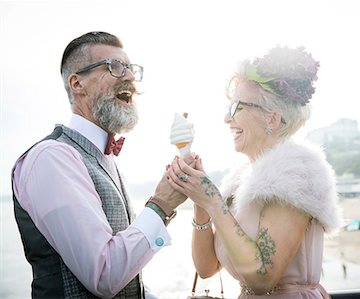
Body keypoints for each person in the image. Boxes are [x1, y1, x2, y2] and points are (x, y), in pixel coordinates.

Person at [11, 31, 192, 298]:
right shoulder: (51, 158)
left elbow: (128, 281)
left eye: (130, 69)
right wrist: (161, 205)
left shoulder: (107, 161)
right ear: (77, 83)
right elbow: (104, 274)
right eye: (115, 67)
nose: (129, 76)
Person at [166, 46, 343, 298]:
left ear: (271, 119)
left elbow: (263, 278)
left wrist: (214, 202)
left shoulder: (294, 174)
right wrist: (201, 203)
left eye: (237, 107)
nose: (227, 119)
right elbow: (206, 268)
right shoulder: (242, 180)